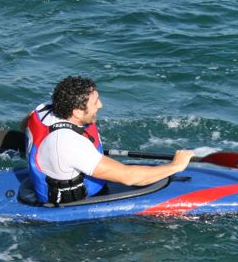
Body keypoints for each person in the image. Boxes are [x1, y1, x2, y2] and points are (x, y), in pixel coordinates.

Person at [24, 76, 195, 205]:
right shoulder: (68, 144)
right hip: (72, 203)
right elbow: (130, 177)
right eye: (95, 102)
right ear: (76, 112)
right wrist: (176, 166)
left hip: (65, 164)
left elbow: (26, 124)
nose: (101, 105)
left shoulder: (43, 109)